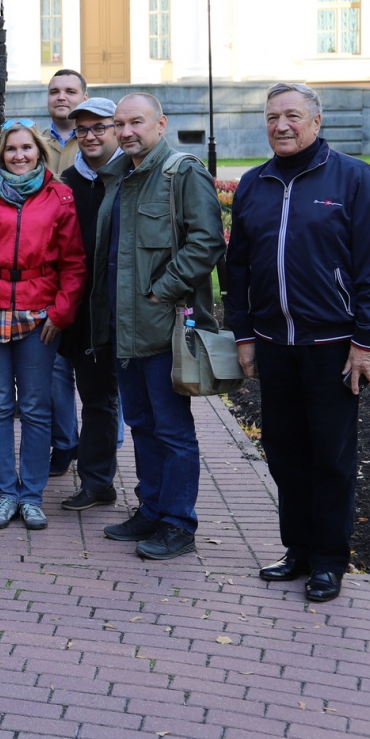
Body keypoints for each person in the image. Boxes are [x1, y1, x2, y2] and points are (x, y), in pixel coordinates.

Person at [226, 83, 370, 603]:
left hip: (334, 346)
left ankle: (328, 560)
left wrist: (367, 341)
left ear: (316, 122)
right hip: (275, 344)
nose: (282, 125)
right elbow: (237, 270)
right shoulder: (254, 184)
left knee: (330, 456)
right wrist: (244, 334)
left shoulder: (353, 179)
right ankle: (297, 549)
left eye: (293, 116)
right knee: (284, 451)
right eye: (273, 116)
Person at [90, 93, 226, 561]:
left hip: (165, 327)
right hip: (125, 329)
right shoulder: (122, 177)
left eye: (136, 122)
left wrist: (161, 290)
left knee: (172, 430)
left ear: (161, 123)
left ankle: (178, 523)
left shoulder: (181, 172)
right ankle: (151, 509)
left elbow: (207, 241)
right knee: (142, 424)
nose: (126, 131)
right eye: (120, 124)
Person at [0, 122, 85, 531]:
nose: (19, 155)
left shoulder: (59, 196)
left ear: (39, 153)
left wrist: (61, 312)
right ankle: (6, 492)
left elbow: (74, 264)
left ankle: (31, 496)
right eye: (11, 149)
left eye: (27, 148)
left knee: (34, 407)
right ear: (1, 154)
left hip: (39, 314)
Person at [58, 97, 126, 513]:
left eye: (99, 127)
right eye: (82, 129)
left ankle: (154, 499)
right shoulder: (65, 183)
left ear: (116, 129)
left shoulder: (134, 175)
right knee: (98, 398)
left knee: (147, 408)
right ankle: (97, 482)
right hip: (83, 313)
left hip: (133, 308)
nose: (90, 136)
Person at [41, 68, 85, 477]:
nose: (62, 97)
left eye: (70, 91)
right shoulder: (35, 142)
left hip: (92, 262)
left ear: (84, 96)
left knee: (100, 365)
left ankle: (103, 445)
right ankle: (65, 442)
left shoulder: (98, 139)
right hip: (49, 268)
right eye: (55, 91)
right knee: (55, 366)